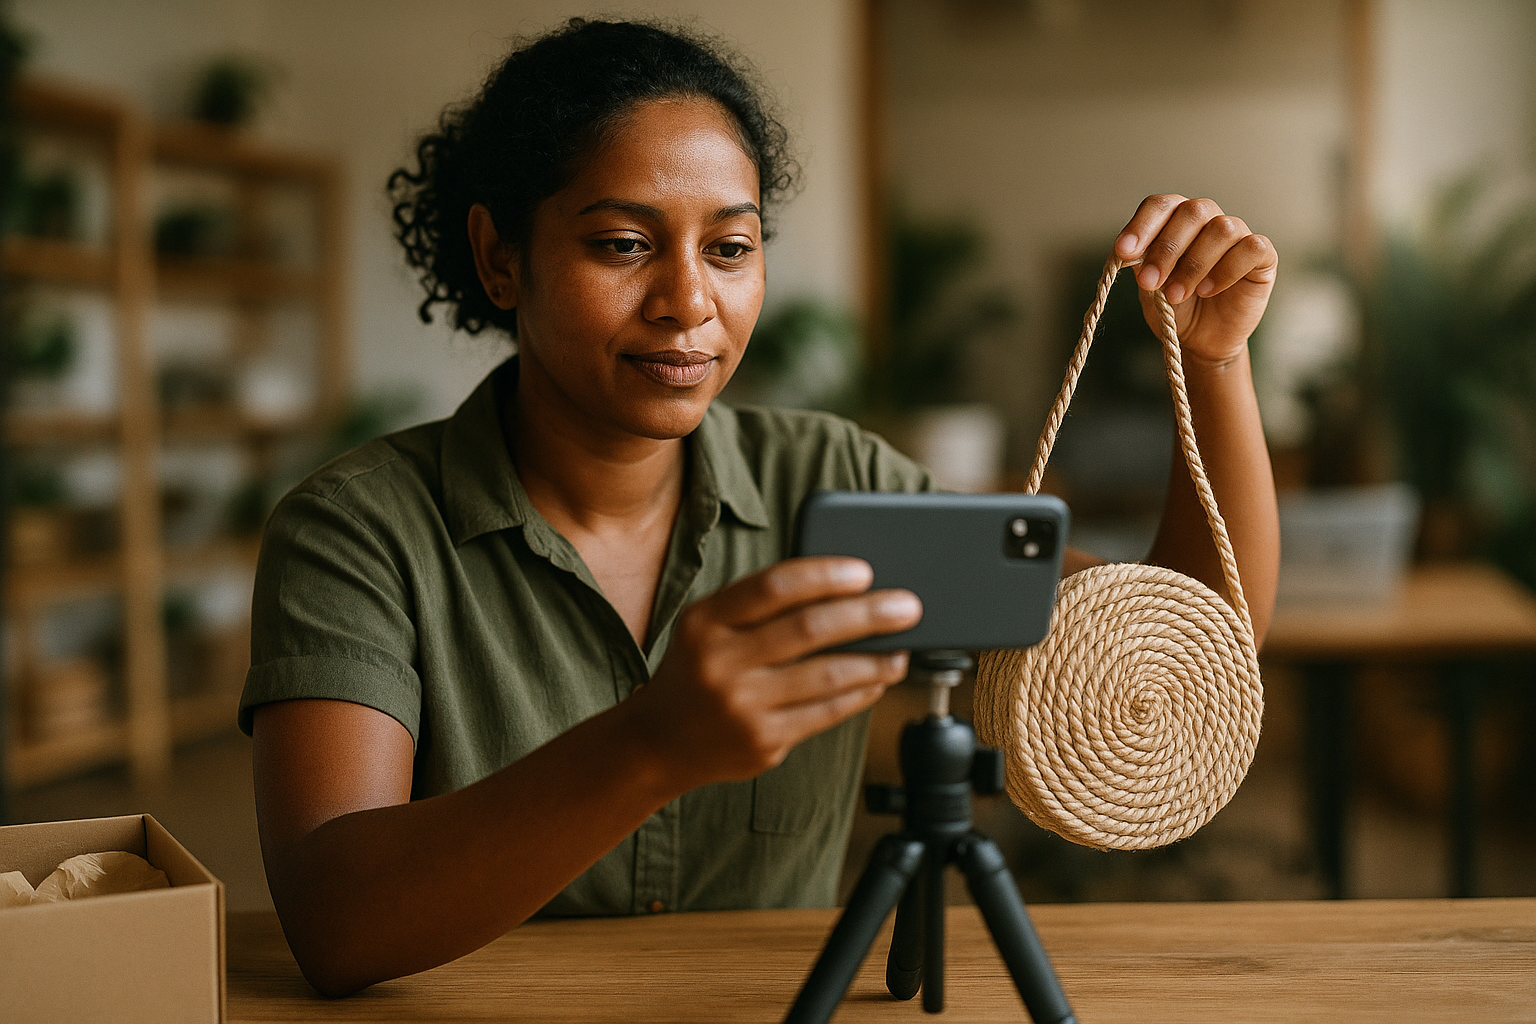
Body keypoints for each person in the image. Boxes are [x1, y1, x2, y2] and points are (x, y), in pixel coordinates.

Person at [241, 17, 1280, 997]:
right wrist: (653, 744)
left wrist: (1214, 360)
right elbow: (338, 921)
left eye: (730, 249)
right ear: (501, 257)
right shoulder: (358, 531)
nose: (689, 301)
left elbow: (1184, 650)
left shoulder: (836, 482)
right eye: (622, 244)